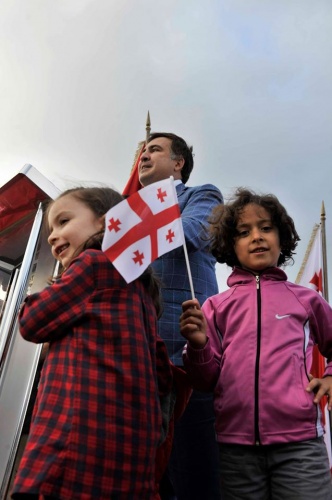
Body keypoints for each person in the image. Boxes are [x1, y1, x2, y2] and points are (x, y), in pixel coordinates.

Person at [11, 186, 172, 500]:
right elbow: (162, 376)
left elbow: (32, 322)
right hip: (130, 458)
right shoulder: (143, 296)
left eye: (63, 221)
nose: (52, 236)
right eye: (51, 228)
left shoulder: (95, 265)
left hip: (72, 446)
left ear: (106, 223)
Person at [180, 187, 332, 500]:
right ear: (230, 244)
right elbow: (205, 380)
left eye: (265, 228)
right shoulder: (215, 306)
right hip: (235, 450)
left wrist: (329, 375)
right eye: (244, 231)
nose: (257, 237)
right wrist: (197, 346)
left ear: (282, 237)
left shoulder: (306, 299)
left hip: (300, 445)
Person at [139, 132, 223, 499]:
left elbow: (190, 232)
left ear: (178, 164)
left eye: (154, 150)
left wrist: (124, 233)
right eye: (143, 150)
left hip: (188, 358)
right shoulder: (130, 213)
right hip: (139, 361)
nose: (144, 155)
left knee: (194, 479)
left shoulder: (202, 196)